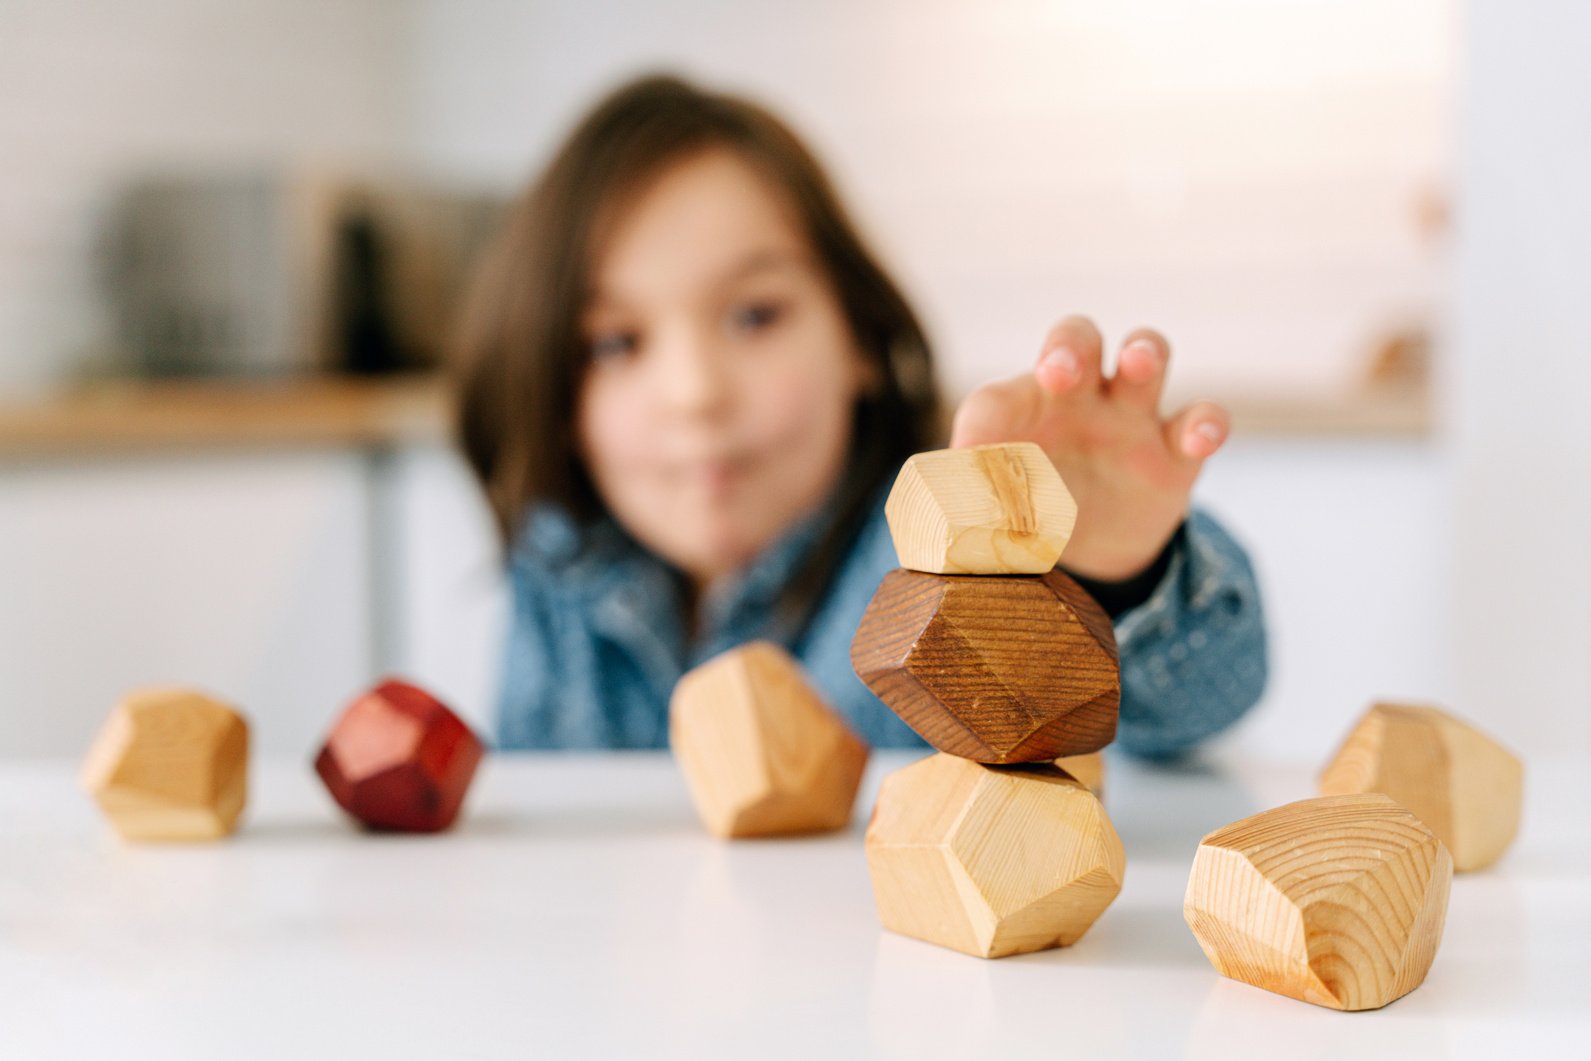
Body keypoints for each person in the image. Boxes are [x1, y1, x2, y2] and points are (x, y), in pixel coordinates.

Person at [453, 74, 1267, 760]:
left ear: (860, 341)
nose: (694, 392)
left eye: (754, 317)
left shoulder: (932, 556)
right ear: (556, 398)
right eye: (615, 343)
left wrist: (1112, 576)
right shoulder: (555, 569)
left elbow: (1200, 697)